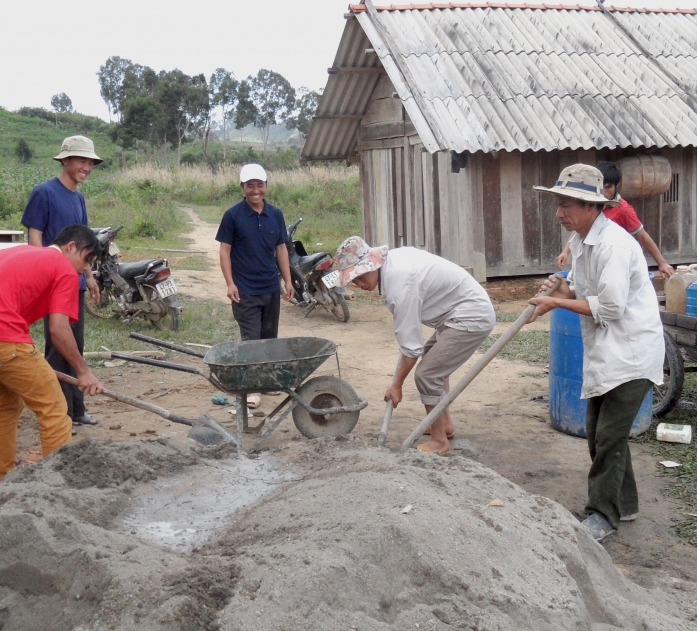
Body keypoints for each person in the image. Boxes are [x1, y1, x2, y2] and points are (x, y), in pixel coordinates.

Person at [529, 164, 664, 542]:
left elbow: (610, 308)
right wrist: (557, 294)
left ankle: (602, 515)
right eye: (558, 203)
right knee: (601, 435)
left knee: (607, 437)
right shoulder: (580, 243)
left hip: (633, 352)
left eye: (568, 204)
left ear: (592, 206)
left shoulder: (614, 245)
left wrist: (557, 303)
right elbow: (580, 294)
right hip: (608, 350)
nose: (559, 212)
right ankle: (627, 503)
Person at [0, 224, 104, 483]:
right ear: (70, 247)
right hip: (3, 342)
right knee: (55, 409)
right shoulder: (63, 269)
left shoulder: (15, 252)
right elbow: (58, 329)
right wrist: (83, 372)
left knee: (6, 404)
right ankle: (56, 488)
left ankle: (2, 477)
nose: (84, 268)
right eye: (86, 259)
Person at [334, 236, 496, 455]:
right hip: (456, 312)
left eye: (360, 276)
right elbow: (412, 344)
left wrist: (397, 384)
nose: (359, 284)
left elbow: (411, 348)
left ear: (373, 263)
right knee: (433, 358)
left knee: (427, 374)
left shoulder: (400, 284)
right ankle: (444, 424)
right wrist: (397, 382)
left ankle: (439, 442)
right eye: (353, 280)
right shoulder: (393, 265)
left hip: (471, 315)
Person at [20, 135, 104, 426]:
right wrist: (39, 275)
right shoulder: (44, 192)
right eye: (81, 160)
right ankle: (60, 414)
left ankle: (77, 410)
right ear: (65, 160)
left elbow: (84, 243)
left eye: (90, 162)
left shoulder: (78, 197)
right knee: (58, 348)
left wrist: (90, 277)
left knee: (74, 345)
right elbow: (35, 236)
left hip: (74, 283)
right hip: (52, 282)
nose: (86, 167)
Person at [216, 163, 295, 408]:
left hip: (270, 287)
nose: (255, 190)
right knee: (251, 340)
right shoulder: (233, 215)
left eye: (260, 185)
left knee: (269, 338)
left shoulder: (276, 215)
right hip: (245, 291)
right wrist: (230, 283)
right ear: (242, 188)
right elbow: (224, 250)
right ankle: (252, 388)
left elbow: (281, 248)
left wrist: (288, 280)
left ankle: (266, 383)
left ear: (266, 187)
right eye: (250, 185)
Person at [556, 161, 675, 279]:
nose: (603, 191)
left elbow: (642, 236)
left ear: (616, 186)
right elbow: (579, 228)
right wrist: (566, 251)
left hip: (613, 261)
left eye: (608, 187)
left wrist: (661, 262)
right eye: (600, 187)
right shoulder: (587, 214)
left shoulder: (623, 210)